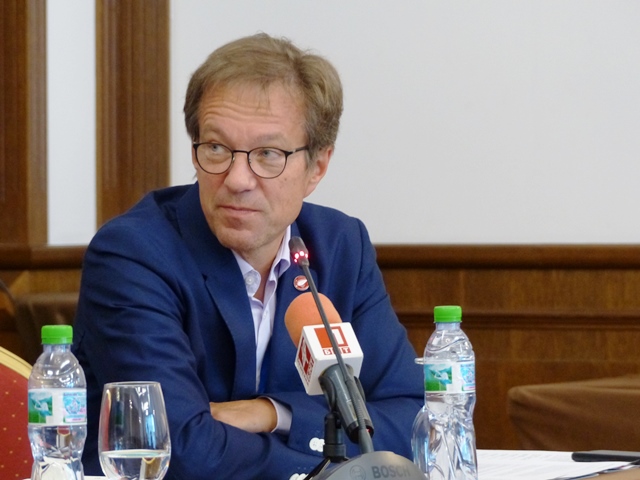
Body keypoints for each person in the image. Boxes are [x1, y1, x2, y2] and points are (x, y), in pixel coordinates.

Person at [72, 32, 422, 480]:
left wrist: (274, 414)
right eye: (216, 148)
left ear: (317, 167)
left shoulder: (340, 247)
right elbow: (181, 451)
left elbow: (414, 422)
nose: (237, 179)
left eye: (268, 154)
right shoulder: (134, 255)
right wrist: (334, 459)